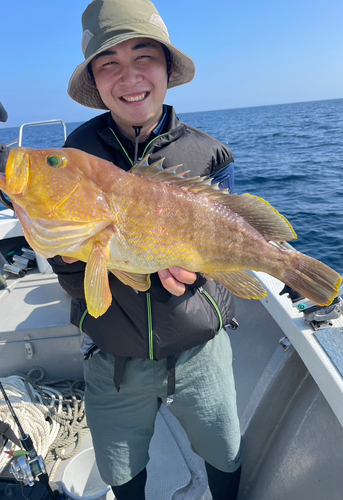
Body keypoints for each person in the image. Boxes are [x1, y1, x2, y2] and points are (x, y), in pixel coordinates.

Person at [48, 1, 242, 499]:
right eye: (108, 62)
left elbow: (225, 242)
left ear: (167, 69)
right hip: (112, 355)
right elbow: (73, 275)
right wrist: (66, 257)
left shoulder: (210, 155)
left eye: (144, 57)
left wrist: (198, 274)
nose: (129, 76)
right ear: (95, 78)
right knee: (121, 467)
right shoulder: (73, 158)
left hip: (200, 349)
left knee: (224, 450)